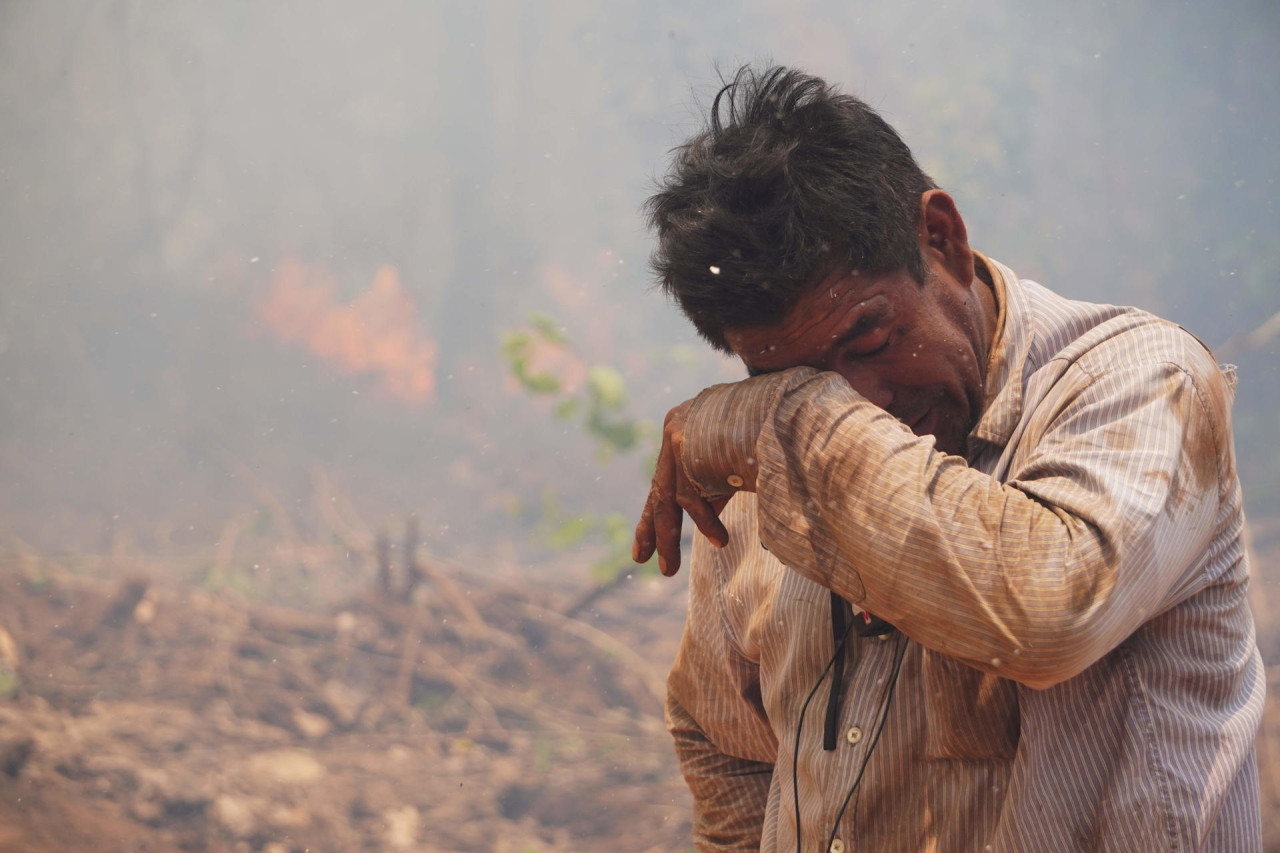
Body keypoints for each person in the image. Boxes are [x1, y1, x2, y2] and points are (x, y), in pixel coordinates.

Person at [631, 65, 1264, 852]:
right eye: (791, 376)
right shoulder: (769, 448)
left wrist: (783, 415)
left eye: (870, 340)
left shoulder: (1143, 381)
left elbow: (1048, 613)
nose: (857, 402)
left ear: (943, 238)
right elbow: (722, 737)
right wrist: (774, 423)